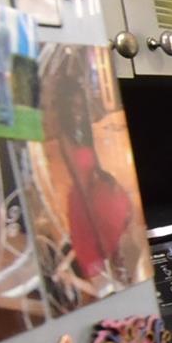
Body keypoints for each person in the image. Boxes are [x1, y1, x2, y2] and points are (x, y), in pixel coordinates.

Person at [42, 50, 135, 283]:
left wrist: (109, 179)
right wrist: (95, 223)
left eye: (78, 106)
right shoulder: (65, 138)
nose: (75, 111)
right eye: (71, 106)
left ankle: (118, 262)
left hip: (94, 187)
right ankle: (108, 268)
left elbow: (96, 163)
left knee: (121, 207)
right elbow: (80, 187)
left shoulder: (84, 132)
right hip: (83, 200)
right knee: (102, 231)